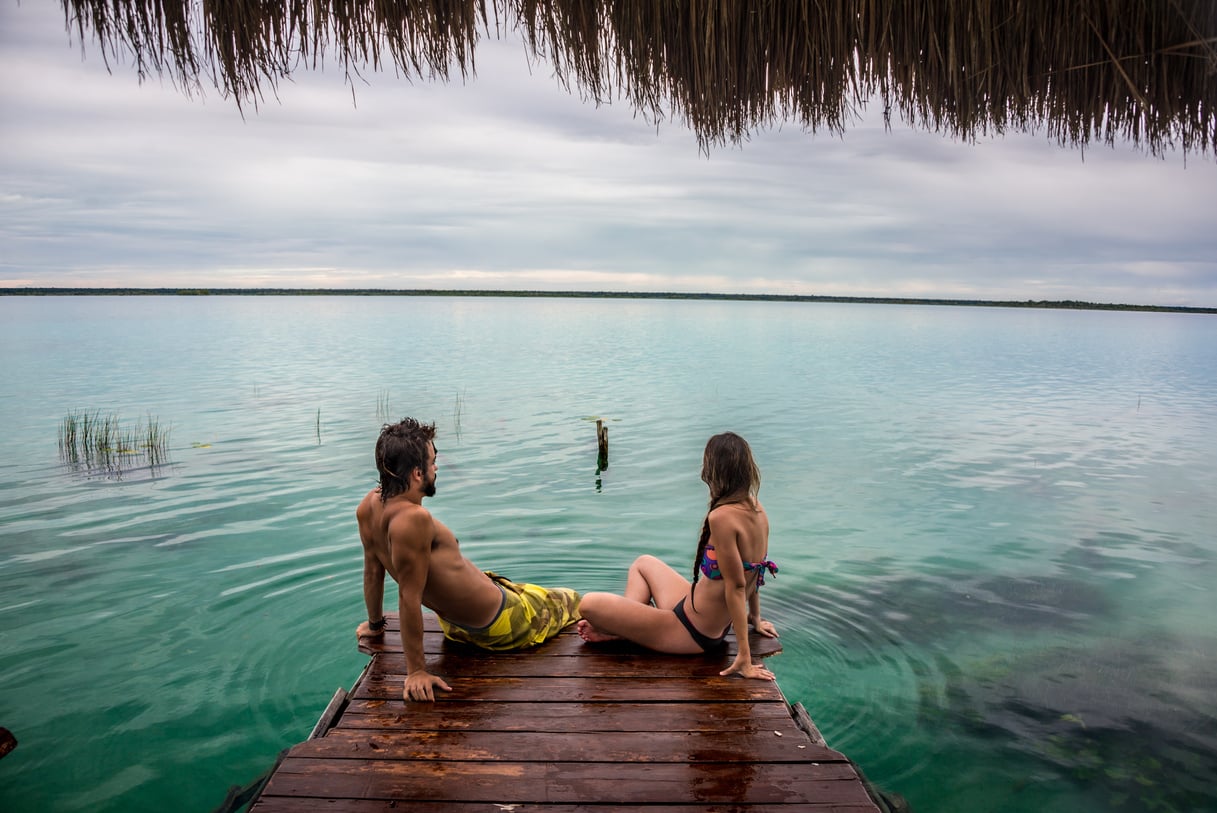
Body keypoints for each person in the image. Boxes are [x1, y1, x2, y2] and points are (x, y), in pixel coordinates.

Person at [355, 417, 581, 701]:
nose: (436, 468)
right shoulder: (413, 519)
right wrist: (416, 672)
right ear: (416, 473)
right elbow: (408, 596)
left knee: (530, 592)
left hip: (459, 625)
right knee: (577, 601)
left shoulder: (368, 506)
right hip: (502, 624)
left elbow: (372, 573)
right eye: (432, 461)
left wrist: (375, 626)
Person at [576, 431, 779, 680]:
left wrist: (745, 658)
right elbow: (757, 569)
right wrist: (755, 618)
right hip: (694, 611)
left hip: (691, 632)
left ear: (713, 471)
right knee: (643, 563)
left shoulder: (721, 517)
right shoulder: (758, 509)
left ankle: (623, 630)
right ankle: (626, 627)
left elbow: (737, 586)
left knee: (588, 604)